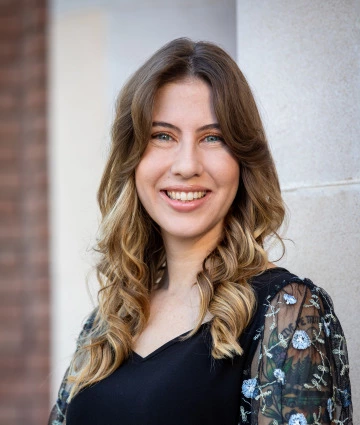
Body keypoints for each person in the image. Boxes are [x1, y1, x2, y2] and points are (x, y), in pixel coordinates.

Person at [48, 38, 352, 425]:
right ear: (133, 158)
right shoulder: (110, 319)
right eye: (163, 135)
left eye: (213, 137)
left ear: (242, 160)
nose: (186, 165)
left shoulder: (289, 314)